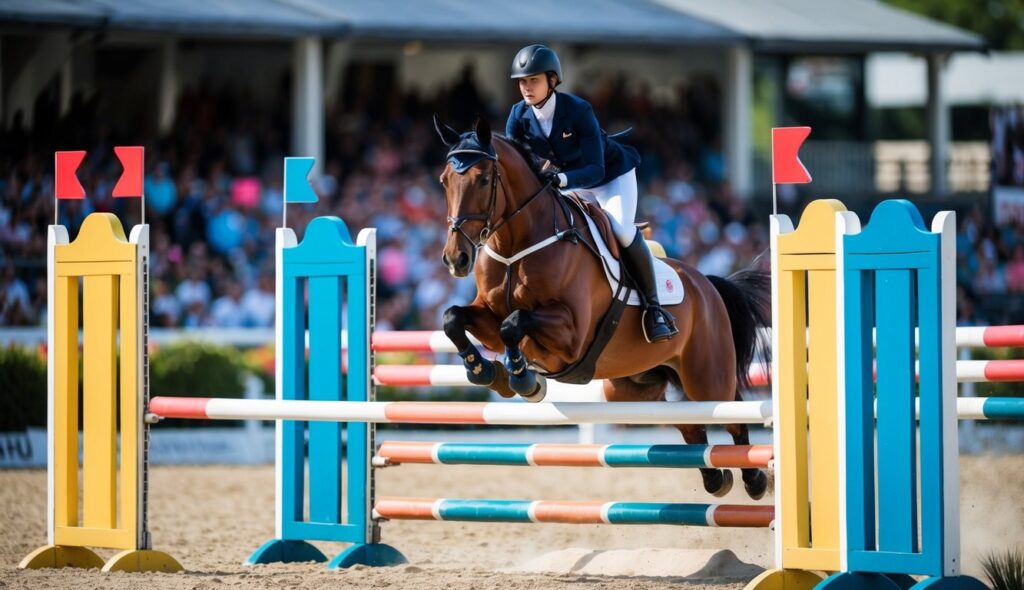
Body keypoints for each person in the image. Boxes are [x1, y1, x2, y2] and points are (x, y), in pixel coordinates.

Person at [504, 44, 677, 342]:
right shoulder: (518, 116)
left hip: (610, 176)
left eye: (533, 80)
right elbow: (514, 163)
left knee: (620, 231)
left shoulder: (578, 110)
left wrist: (559, 180)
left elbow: (595, 169)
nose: (526, 87)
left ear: (552, 80)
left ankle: (654, 308)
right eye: (522, 81)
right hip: (566, 181)